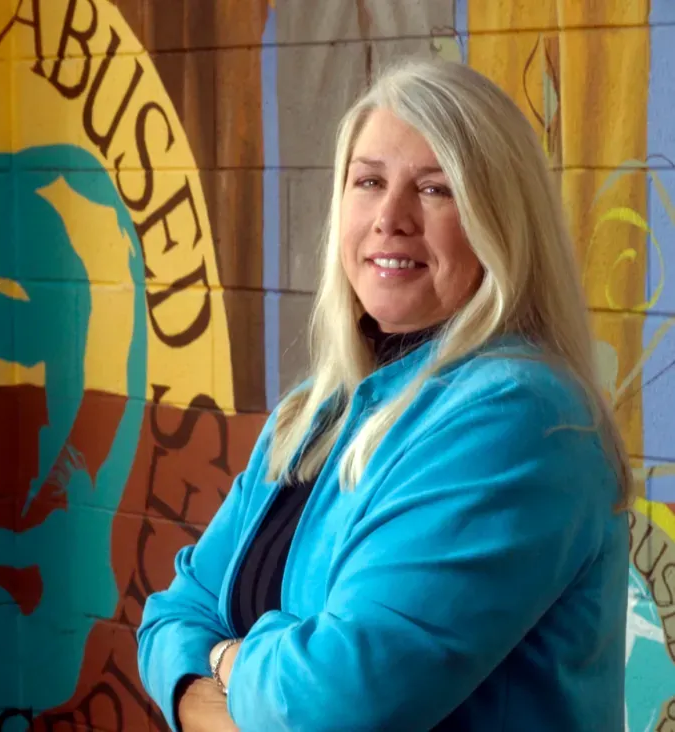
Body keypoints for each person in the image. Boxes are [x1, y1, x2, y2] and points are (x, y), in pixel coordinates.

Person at [137, 58, 632, 732]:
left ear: (500, 221)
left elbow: (335, 705)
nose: (390, 217)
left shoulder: (519, 416)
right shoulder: (318, 409)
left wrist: (221, 658)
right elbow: (168, 617)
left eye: (435, 189)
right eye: (368, 181)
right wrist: (254, 678)